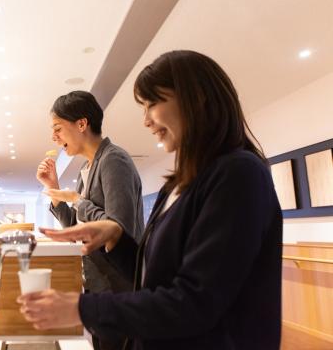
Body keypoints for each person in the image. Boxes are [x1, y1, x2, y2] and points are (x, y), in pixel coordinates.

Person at [21, 51, 282, 349]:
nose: (145, 120)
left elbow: (196, 301)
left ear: (195, 99)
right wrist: (115, 237)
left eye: (152, 104)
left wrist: (81, 308)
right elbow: (153, 273)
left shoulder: (239, 173)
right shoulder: (178, 184)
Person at [36, 90, 144, 350]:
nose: (54, 136)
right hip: (100, 285)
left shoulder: (113, 160)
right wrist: (56, 191)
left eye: (58, 128)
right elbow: (78, 228)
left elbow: (119, 229)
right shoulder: (87, 168)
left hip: (119, 288)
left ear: (82, 124)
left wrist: (76, 199)